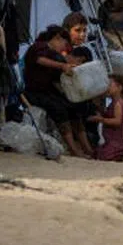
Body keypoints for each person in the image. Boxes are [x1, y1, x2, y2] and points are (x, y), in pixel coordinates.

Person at [21, 25, 93, 158]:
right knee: (59, 110)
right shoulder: (39, 47)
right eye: (63, 44)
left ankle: (87, 147)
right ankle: (73, 149)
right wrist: (62, 65)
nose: (63, 48)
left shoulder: (54, 54)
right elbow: (40, 60)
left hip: (48, 91)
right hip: (34, 92)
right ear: (57, 38)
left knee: (74, 108)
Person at [89, 74, 123, 162]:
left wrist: (101, 120)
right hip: (110, 142)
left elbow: (117, 121)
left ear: (119, 87)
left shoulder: (118, 104)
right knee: (96, 153)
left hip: (116, 144)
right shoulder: (113, 103)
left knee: (103, 157)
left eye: (109, 85)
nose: (107, 88)